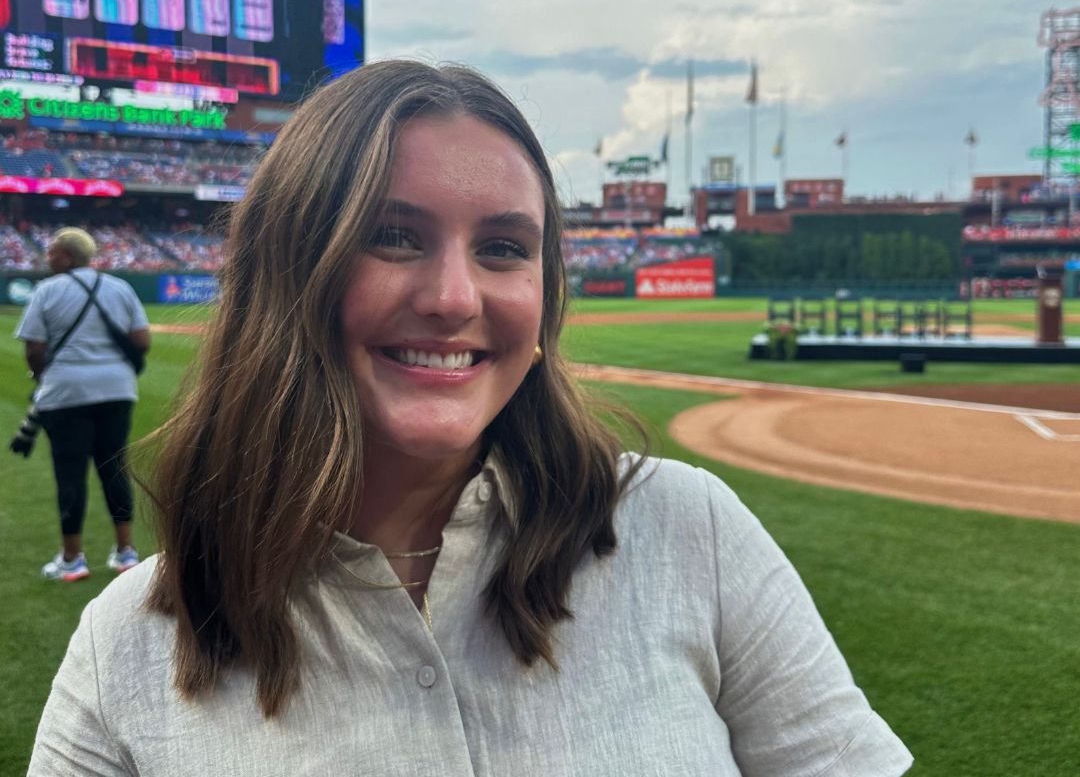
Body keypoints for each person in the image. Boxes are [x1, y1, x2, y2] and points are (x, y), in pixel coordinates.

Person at [28, 62, 912, 775]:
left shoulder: (690, 531)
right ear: (288, 270)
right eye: (395, 235)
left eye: (502, 249)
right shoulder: (125, 651)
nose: (456, 298)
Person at [11, 226, 150, 582]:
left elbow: (34, 348)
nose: (47, 256)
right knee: (114, 467)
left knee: (70, 474)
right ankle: (126, 552)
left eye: (53, 251)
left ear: (68, 256)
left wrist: (42, 375)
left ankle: (73, 559)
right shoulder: (120, 287)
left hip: (65, 393)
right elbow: (141, 339)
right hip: (117, 389)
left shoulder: (47, 291)